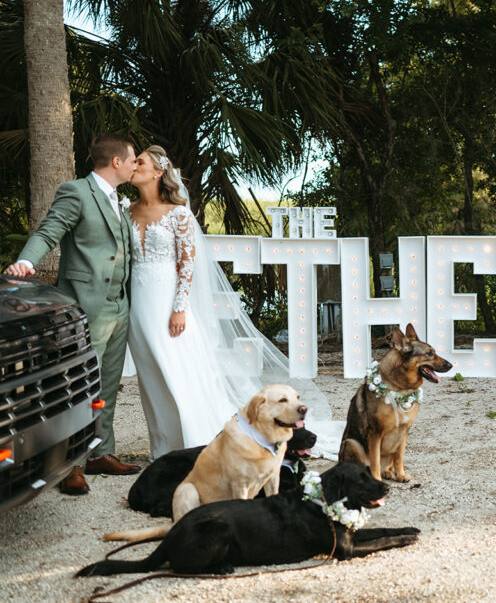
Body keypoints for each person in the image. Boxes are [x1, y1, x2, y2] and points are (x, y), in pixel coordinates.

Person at [124, 146, 342, 459]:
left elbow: (187, 263)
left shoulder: (178, 213)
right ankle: (164, 448)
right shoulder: (126, 210)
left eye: (140, 162)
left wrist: (180, 308)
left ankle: (196, 444)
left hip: (169, 304)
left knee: (180, 374)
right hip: (138, 306)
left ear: (158, 172)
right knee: (152, 380)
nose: (134, 166)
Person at [6, 134, 142, 494]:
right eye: (131, 160)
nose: (134, 165)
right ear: (116, 162)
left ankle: (102, 452)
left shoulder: (119, 201)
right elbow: (49, 231)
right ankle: (72, 465)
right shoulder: (77, 191)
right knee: (79, 388)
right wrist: (25, 261)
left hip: (119, 304)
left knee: (108, 383)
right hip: (86, 305)